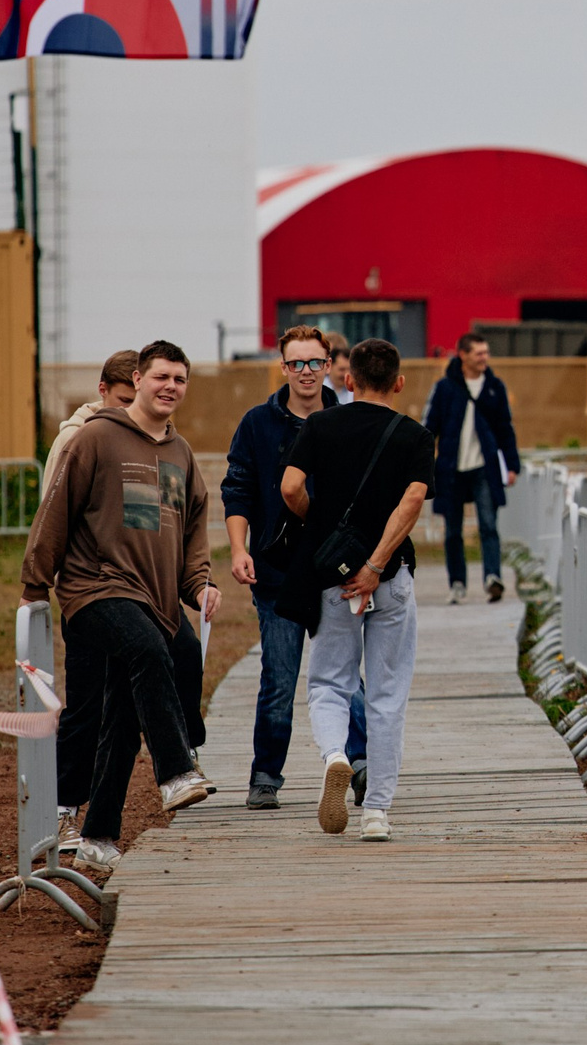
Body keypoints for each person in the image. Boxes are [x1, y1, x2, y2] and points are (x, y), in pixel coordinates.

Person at [21, 339, 219, 868]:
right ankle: (176, 771)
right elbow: (55, 512)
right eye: (161, 377)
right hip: (95, 588)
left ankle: (99, 837)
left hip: (155, 598)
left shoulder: (181, 453)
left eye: (179, 379)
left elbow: (192, 530)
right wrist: (34, 585)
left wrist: (200, 586)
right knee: (148, 651)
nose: (170, 386)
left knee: (126, 716)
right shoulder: (96, 438)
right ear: (138, 379)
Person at [279, 338, 431, 842]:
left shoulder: (319, 425)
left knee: (329, 683)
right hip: (392, 577)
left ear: (347, 380)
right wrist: (376, 564)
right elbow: (412, 502)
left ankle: (335, 756)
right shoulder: (415, 435)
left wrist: (323, 527)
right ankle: (377, 813)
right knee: (388, 694)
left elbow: (290, 488)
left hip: (334, 577)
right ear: (399, 383)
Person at [223, 325, 368, 810]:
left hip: (334, 569)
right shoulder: (257, 423)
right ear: (283, 367)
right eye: (296, 363)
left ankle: (360, 763)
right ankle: (266, 775)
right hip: (277, 569)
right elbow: (238, 489)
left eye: (315, 362)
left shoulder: (348, 421)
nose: (306, 372)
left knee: (345, 674)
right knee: (279, 677)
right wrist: (238, 548)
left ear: (329, 365)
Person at [46, 350, 140, 851]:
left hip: (132, 589)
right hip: (87, 590)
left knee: (120, 707)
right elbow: (54, 514)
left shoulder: (138, 437)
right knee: (86, 704)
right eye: (123, 399)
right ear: (102, 391)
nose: (129, 410)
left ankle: (99, 823)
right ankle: (63, 809)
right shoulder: (76, 439)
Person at [423, 331, 520, 604]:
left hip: (483, 468)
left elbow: (505, 429)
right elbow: (430, 428)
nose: (484, 358)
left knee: (488, 524)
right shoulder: (445, 388)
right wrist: (423, 464)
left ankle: (492, 578)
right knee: (453, 531)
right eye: (479, 353)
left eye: (486, 353)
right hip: (451, 469)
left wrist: (512, 465)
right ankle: (457, 583)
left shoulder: (494, 387)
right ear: (463, 355)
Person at [321, 331, 355, 405]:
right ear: (330, 365)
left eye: (349, 369)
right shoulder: (319, 388)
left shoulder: (357, 390)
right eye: (341, 369)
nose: (346, 374)